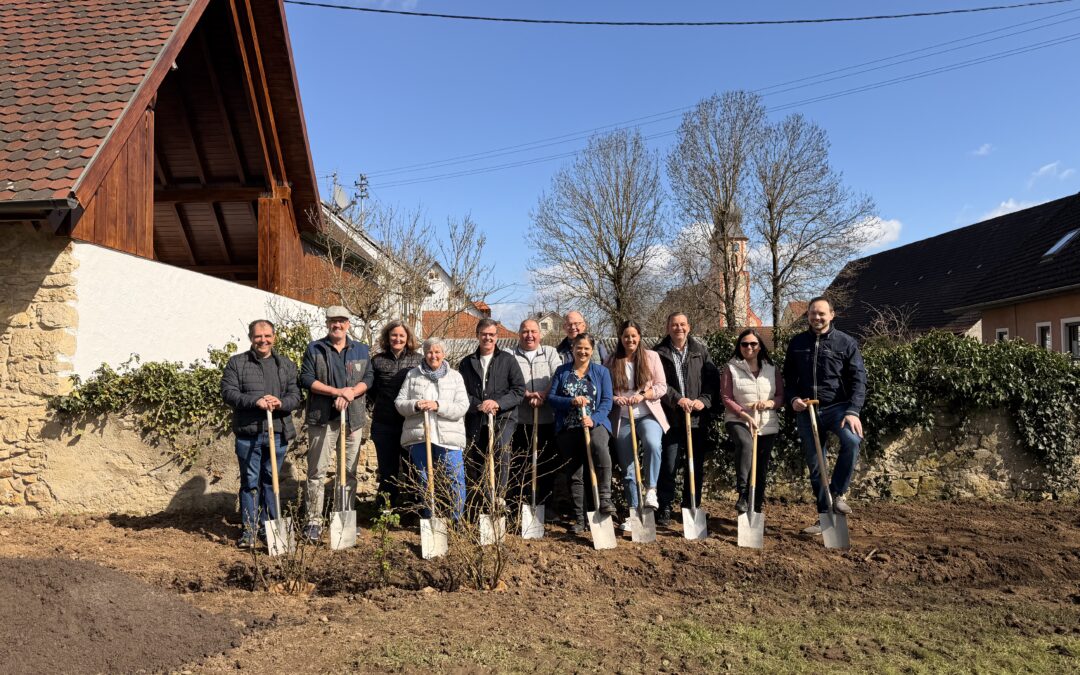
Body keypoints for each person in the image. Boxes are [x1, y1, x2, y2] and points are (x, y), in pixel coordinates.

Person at [782, 296, 867, 534]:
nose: (816, 318)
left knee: (852, 441)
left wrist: (853, 411)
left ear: (832, 315)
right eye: (812, 313)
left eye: (821, 313)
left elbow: (859, 380)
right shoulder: (797, 343)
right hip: (807, 409)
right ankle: (824, 517)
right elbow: (789, 379)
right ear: (807, 315)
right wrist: (793, 399)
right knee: (817, 465)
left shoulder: (846, 343)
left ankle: (838, 493)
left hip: (838, 408)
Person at [220, 320, 302, 548]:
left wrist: (281, 402)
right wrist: (255, 401)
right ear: (251, 338)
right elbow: (228, 392)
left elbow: (296, 396)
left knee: (271, 481)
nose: (263, 340)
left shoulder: (286, 365)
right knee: (250, 482)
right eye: (258, 336)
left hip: (277, 433)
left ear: (274, 337)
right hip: (249, 434)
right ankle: (249, 530)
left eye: (267, 336)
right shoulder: (237, 363)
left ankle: (270, 529)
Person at [299, 306, 374, 541]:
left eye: (341, 321)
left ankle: (345, 515)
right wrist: (336, 391)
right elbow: (306, 378)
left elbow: (369, 378)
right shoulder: (315, 348)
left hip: (353, 419)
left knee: (348, 472)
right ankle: (313, 521)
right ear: (327, 323)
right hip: (322, 419)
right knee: (317, 472)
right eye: (333, 321)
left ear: (348, 324)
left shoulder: (361, 349)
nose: (337, 325)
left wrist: (351, 392)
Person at [654, 311, 719, 527]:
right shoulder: (658, 353)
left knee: (695, 465)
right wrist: (677, 399)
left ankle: (691, 505)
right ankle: (664, 507)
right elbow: (658, 383)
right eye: (674, 325)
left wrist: (703, 400)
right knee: (669, 464)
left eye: (682, 324)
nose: (678, 328)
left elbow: (712, 381)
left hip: (697, 419)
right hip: (671, 418)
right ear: (667, 327)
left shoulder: (700, 351)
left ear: (688, 327)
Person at [547, 333, 616, 533]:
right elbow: (552, 398)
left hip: (596, 424)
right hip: (568, 427)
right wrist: (571, 401)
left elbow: (607, 401)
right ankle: (579, 518)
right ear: (572, 349)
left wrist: (593, 419)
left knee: (599, 446)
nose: (582, 351)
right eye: (579, 348)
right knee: (575, 473)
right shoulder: (562, 371)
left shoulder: (601, 372)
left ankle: (604, 498)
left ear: (591, 350)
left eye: (586, 348)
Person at [395, 337, 470, 519]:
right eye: (429, 351)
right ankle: (430, 518)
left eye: (437, 352)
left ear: (444, 354)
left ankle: (456, 521)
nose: (433, 355)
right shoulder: (413, 375)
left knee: (455, 479)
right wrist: (416, 405)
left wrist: (438, 405)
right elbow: (399, 403)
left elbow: (462, 406)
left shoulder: (455, 377)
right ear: (425, 354)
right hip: (420, 435)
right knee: (424, 480)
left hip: (448, 436)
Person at [605, 319, 669, 531]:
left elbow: (661, 387)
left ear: (639, 337)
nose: (630, 339)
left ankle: (651, 489)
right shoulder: (611, 360)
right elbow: (606, 390)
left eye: (633, 335)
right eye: (626, 336)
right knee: (628, 466)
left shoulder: (652, 357)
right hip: (623, 417)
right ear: (620, 338)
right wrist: (616, 399)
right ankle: (634, 511)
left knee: (652, 444)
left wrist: (643, 395)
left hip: (647, 414)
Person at [460, 318, 526, 503]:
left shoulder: (508, 360)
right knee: (475, 459)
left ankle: (500, 498)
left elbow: (519, 390)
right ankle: (480, 502)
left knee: (501, 451)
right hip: (476, 418)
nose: (487, 338)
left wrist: (497, 403)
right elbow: (461, 392)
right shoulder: (467, 363)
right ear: (477, 336)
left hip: (504, 418)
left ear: (497, 337)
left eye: (491, 334)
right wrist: (479, 405)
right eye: (484, 334)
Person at [722, 328, 783, 515]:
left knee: (761, 468)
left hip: (766, 423)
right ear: (739, 346)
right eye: (744, 344)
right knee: (745, 443)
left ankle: (755, 509)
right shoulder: (731, 367)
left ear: (759, 346)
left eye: (753, 344)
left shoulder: (772, 369)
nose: (749, 347)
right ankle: (742, 494)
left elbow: (781, 396)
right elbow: (726, 396)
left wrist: (770, 403)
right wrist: (744, 414)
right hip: (738, 419)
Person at [368, 320, 423, 511]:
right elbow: (371, 391)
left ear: (408, 338)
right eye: (394, 335)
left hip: (411, 423)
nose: (397, 339)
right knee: (387, 469)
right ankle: (386, 508)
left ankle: (414, 508)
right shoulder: (377, 361)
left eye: (401, 335)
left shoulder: (418, 361)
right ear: (387, 337)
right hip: (384, 423)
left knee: (413, 468)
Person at [510, 319, 563, 510]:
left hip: (546, 418)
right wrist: (526, 394)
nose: (529, 335)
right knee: (520, 464)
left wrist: (543, 395)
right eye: (525, 331)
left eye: (533, 331)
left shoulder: (549, 352)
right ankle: (520, 506)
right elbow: (510, 380)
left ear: (540, 334)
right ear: (519, 334)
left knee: (546, 464)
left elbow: (557, 376)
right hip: (521, 420)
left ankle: (545, 506)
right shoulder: (510, 355)